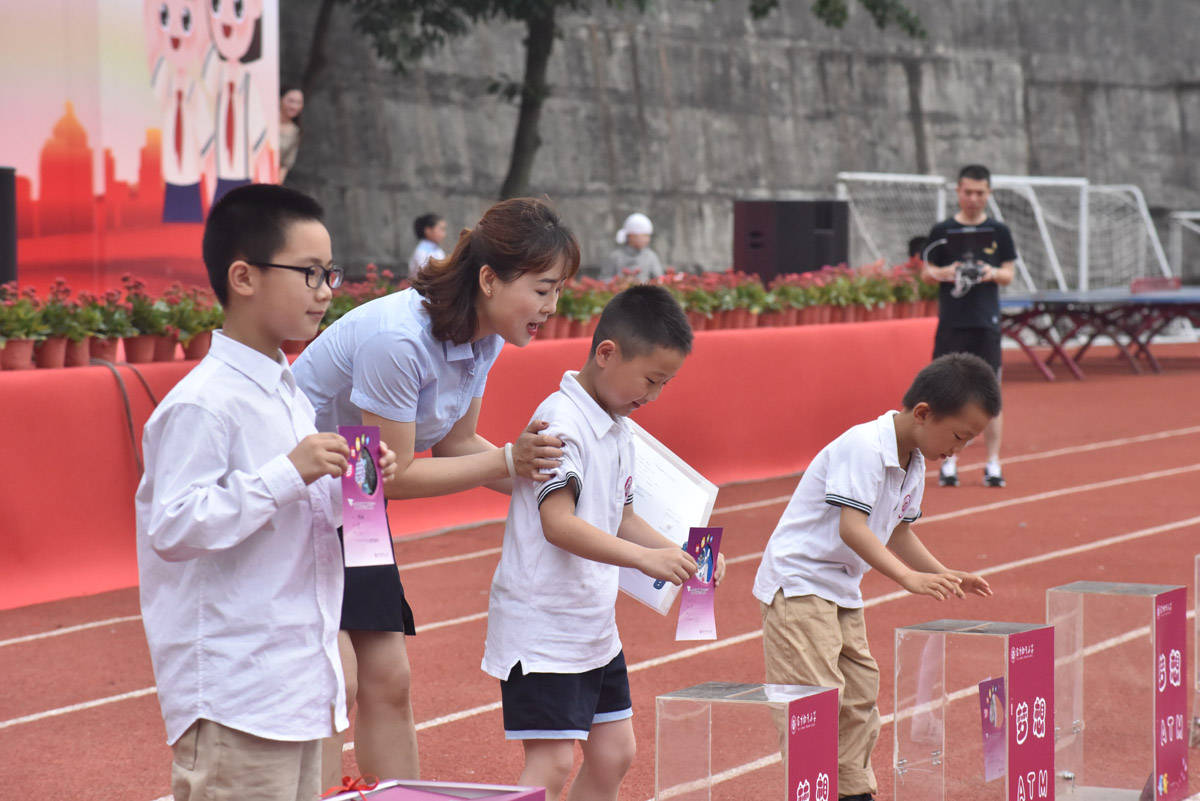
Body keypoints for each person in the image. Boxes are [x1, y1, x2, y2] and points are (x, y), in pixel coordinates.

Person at [293, 197, 578, 787]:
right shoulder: (400, 340)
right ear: (490, 279)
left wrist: (553, 485)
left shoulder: (486, 336)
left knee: (389, 679)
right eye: (544, 289)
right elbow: (388, 475)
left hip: (357, 499)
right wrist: (510, 460)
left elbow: (457, 444)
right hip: (304, 495)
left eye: (558, 292)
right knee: (333, 682)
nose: (552, 308)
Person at [136, 184, 397, 801]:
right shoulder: (204, 403)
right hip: (238, 696)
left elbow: (295, 511)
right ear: (243, 277)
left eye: (329, 273)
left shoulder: (285, 389)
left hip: (298, 685)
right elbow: (173, 527)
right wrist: (291, 471)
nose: (327, 290)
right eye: (309, 273)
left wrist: (351, 483)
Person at [482, 285, 725, 801]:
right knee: (549, 765)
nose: (653, 396)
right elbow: (559, 522)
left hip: (592, 624)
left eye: (665, 384)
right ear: (607, 353)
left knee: (615, 753)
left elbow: (622, 515)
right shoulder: (561, 423)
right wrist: (647, 559)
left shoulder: (618, 427)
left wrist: (681, 553)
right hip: (544, 626)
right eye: (651, 380)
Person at [752, 353, 998, 801]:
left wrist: (944, 573)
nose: (957, 451)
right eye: (958, 436)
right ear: (923, 413)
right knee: (814, 700)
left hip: (840, 589)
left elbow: (900, 532)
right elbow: (853, 527)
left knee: (860, 696)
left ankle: (852, 791)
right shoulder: (864, 446)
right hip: (800, 582)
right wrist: (908, 579)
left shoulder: (916, 461)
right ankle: (814, 791)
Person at [922, 164, 1017, 487]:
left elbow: (1008, 273)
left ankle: (992, 462)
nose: (973, 198)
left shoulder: (999, 231)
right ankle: (949, 462)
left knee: (991, 394)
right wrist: (950, 271)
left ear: (988, 194)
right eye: (968, 192)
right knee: (947, 393)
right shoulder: (942, 231)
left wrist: (987, 272)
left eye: (980, 193)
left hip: (985, 322)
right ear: (958, 192)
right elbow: (926, 273)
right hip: (952, 321)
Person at [601, 212, 664, 282]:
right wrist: (620, 281)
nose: (647, 240)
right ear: (631, 236)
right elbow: (603, 280)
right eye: (644, 235)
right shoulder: (615, 257)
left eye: (648, 236)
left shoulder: (650, 256)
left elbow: (659, 280)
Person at [279, 86, 304, 183]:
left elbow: (285, 164)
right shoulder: (265, 121)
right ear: (281, 99)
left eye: (299, 103)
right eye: (291, 101)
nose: (294, 107)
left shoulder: (295, 132)